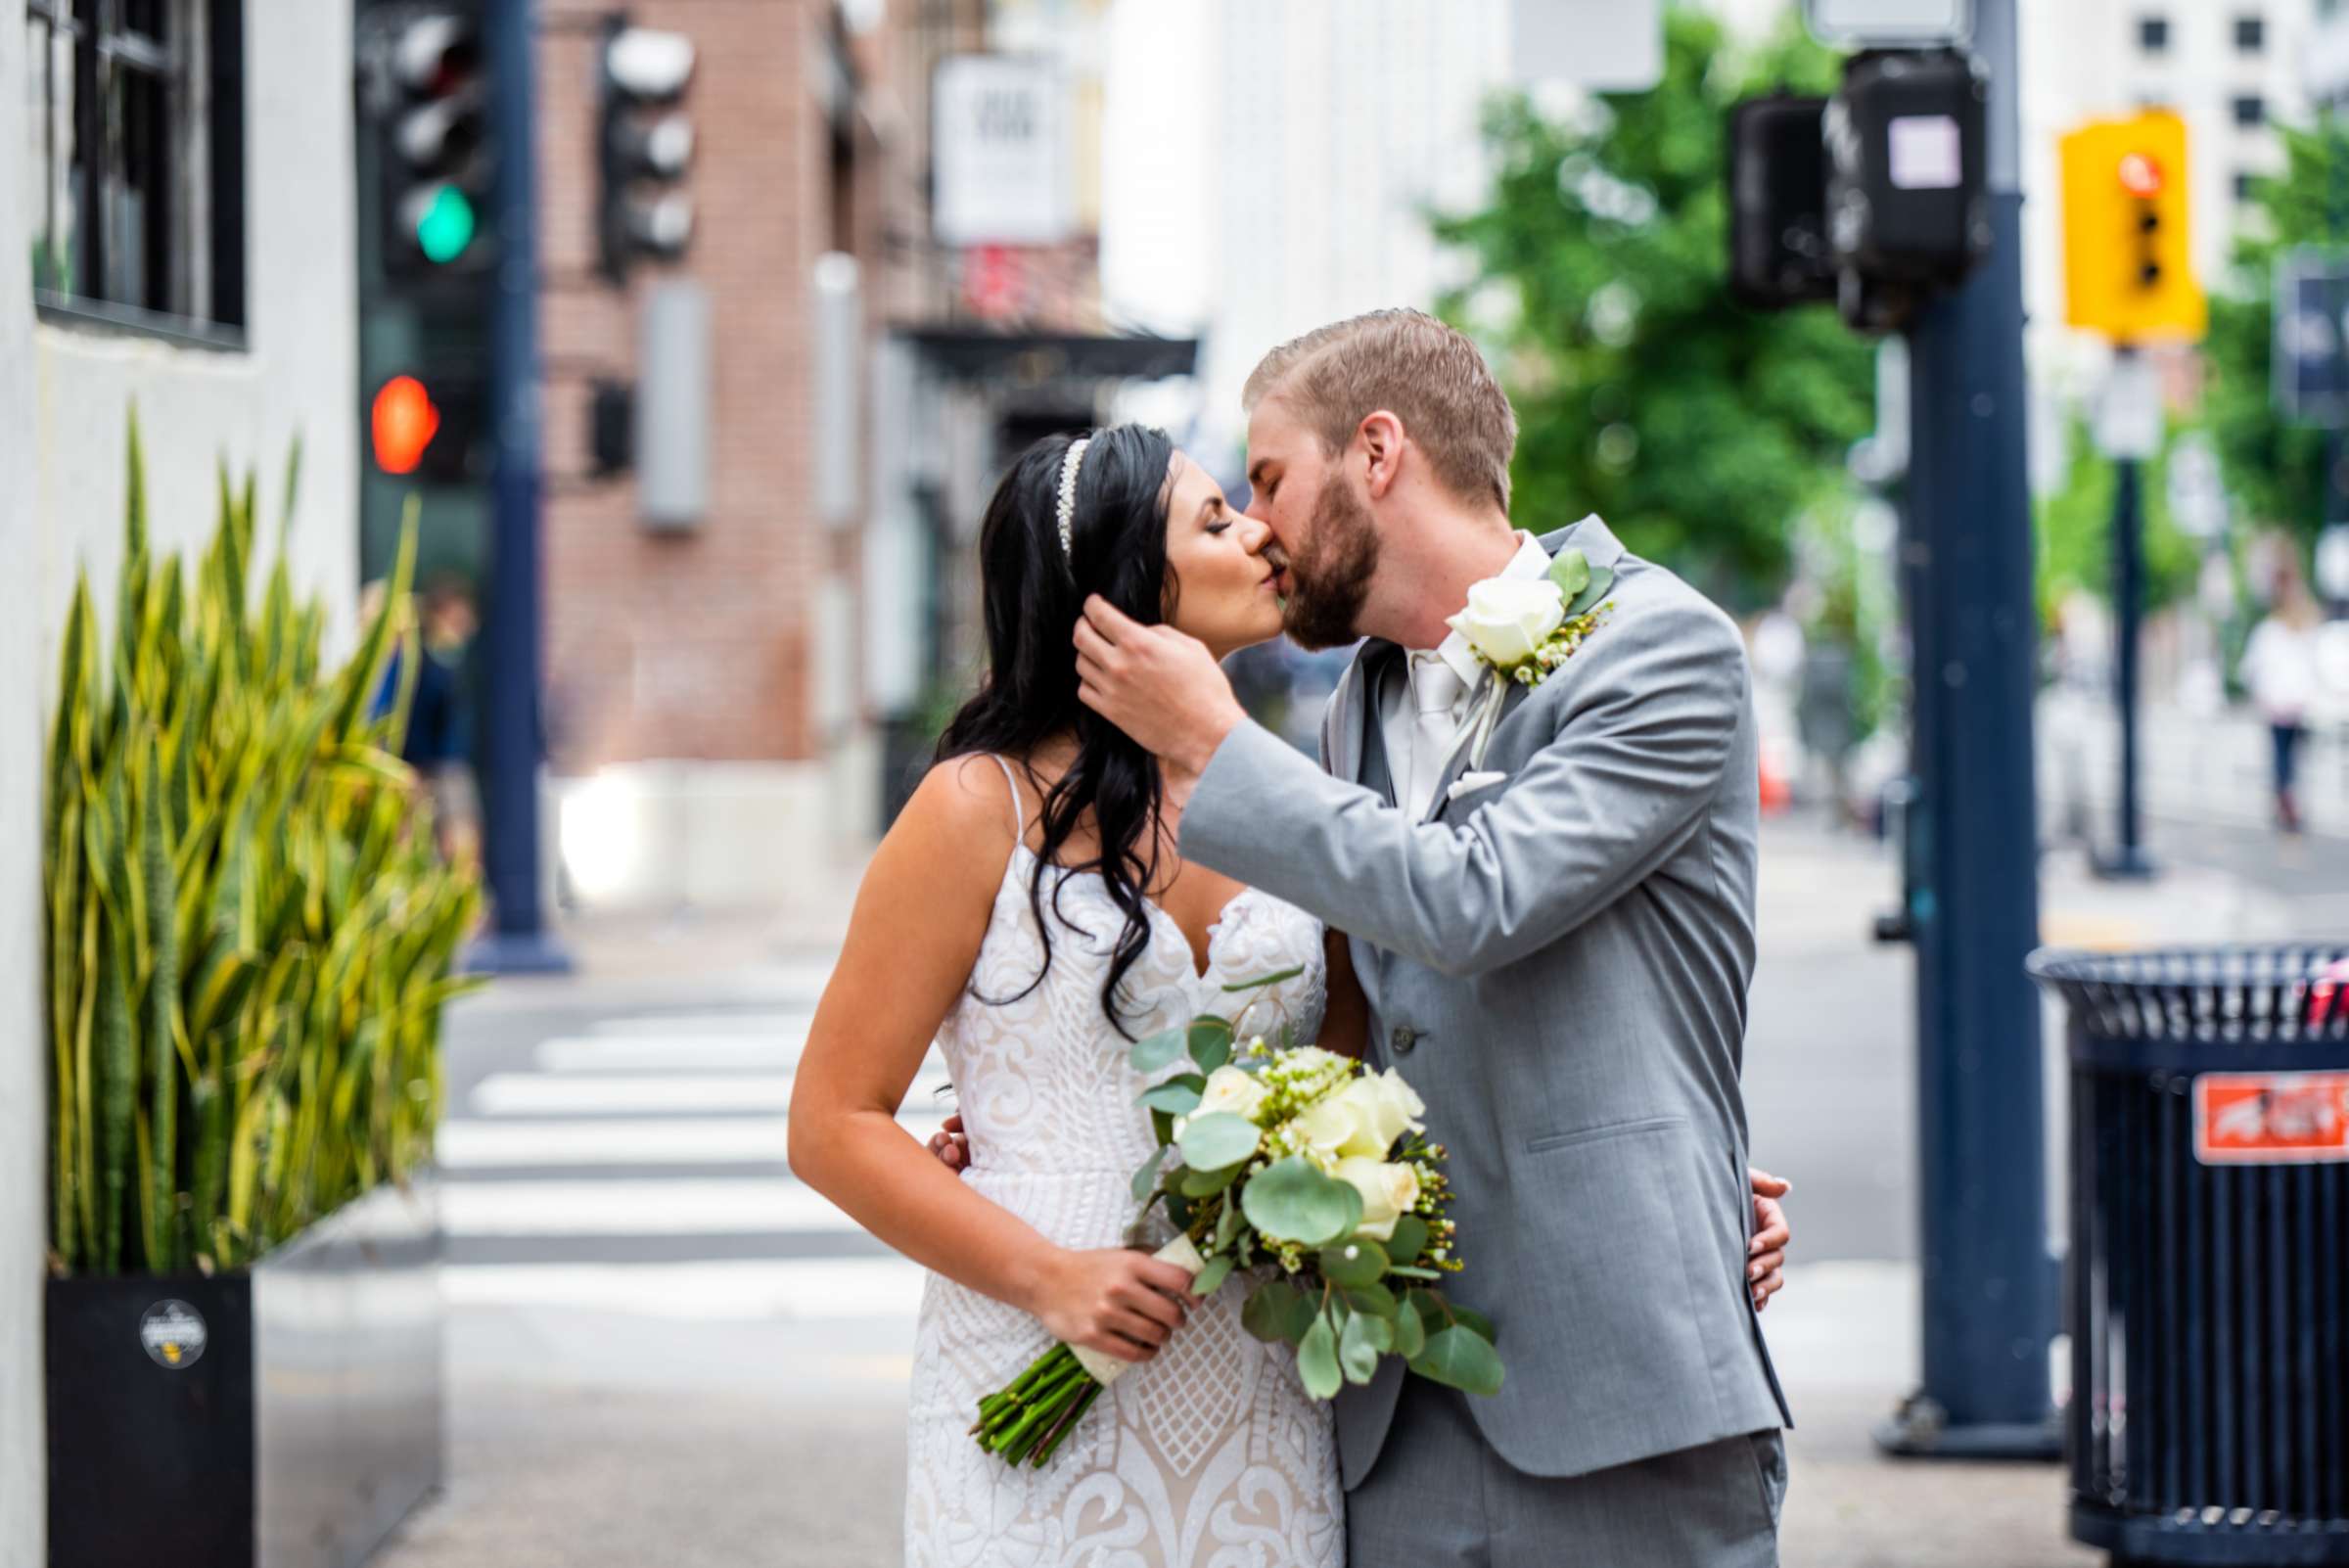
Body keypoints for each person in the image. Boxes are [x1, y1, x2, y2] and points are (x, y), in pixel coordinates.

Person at [788, 410, 1793, 1565]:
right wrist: (1047, 1265)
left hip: (1271, 1393)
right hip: (1043, 1345)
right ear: (1122, 584)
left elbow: (1382, 1067)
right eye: (1218, 516)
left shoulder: (1294, 783)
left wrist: (1671, 1175)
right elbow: (829, 1121)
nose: (1261, 536)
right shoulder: (974, 808)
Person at [1069, 310, 1792, 1565]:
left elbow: (1477, 903)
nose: (1262, 529)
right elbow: (1366, 1012)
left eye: (1274, 479)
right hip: (1397, 1394)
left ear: (1379, 450)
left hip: (1621, 1380)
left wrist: (1215, 744)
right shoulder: (1363, 700)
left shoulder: (1658, 645)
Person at [2241, 563, 2324, 835]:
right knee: (2291, 757)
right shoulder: (2298, 632)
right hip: (2295, 703)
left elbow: (2253, 668)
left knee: (2282, 757)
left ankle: (2285, 800)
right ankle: (2288, 800)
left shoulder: (2272, 631)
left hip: (2281, 704)